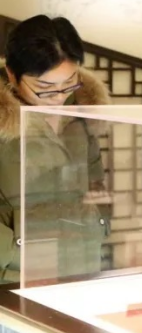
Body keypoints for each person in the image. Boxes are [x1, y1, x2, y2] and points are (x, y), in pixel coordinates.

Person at [0, 15, 111, 283]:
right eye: (45, 88)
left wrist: (99, 224)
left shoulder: (81, 110)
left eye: (69, 82)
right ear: (12, 75)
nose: (60, 96)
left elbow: (95, 181)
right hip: (15, 273)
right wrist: (11, 251)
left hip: (81, 261)